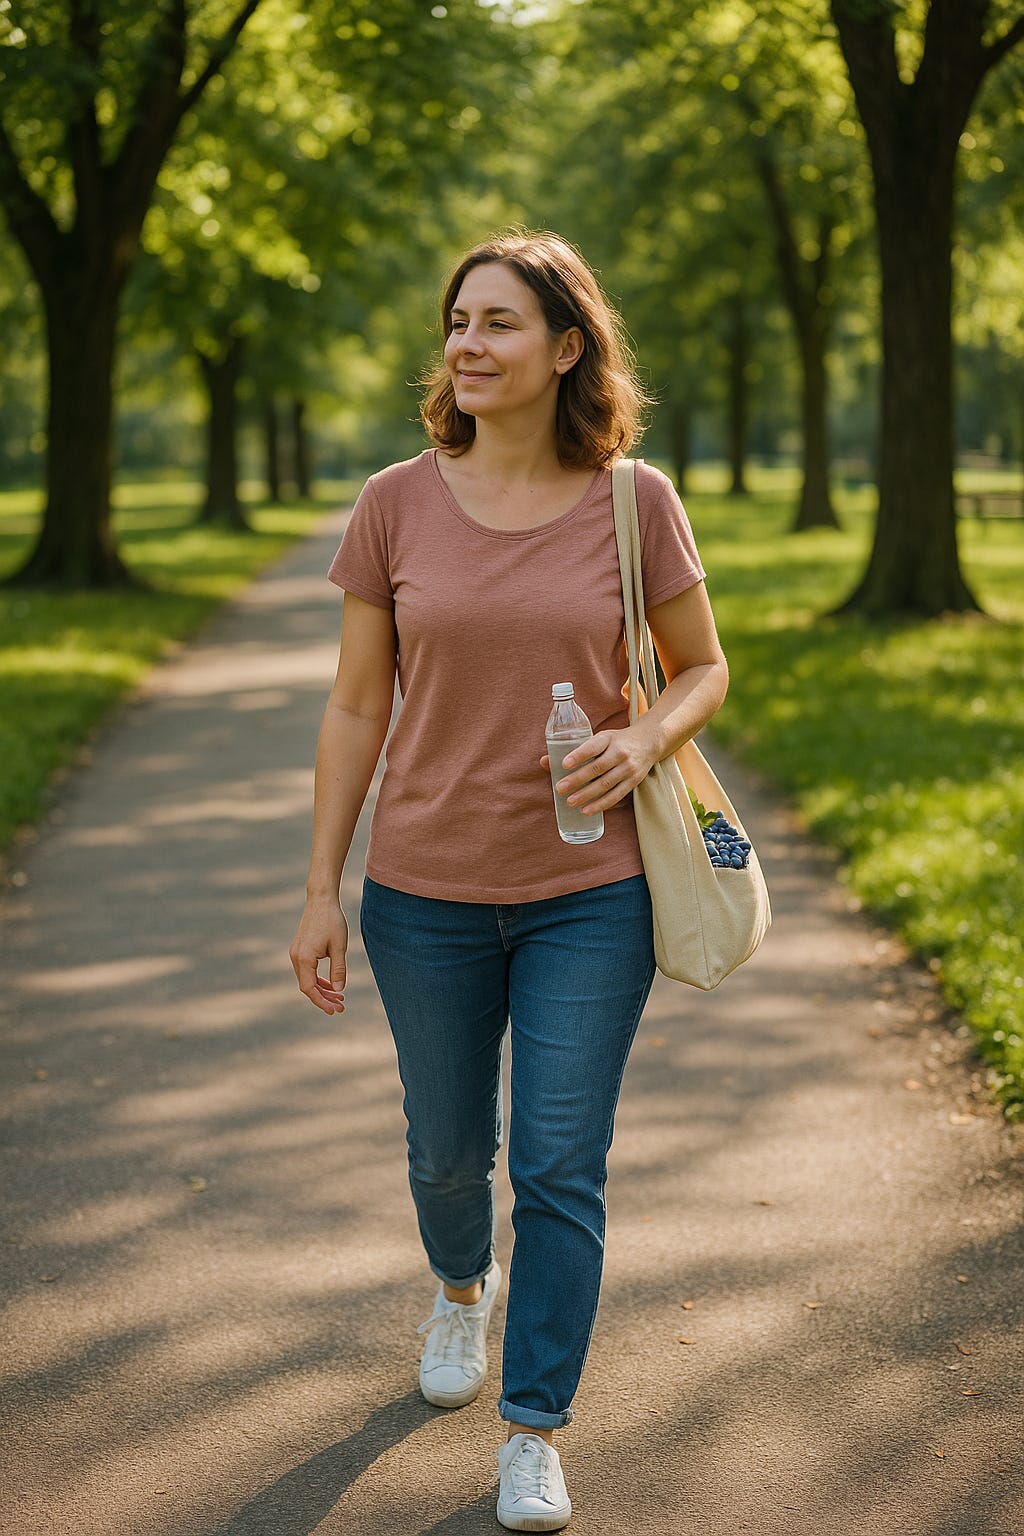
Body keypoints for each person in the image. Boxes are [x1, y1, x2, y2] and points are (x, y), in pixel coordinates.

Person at [289, 230, 728, 1532]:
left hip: (591, 894)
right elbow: (358, 705)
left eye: (499, 324)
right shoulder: (395, 503)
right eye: (458, 323)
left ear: (568, 348)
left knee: (557, 1160)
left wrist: (650, 733)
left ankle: (534, 1428)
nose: (467, 346)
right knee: (447, 1152)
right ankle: (458, 1287)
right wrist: (322, 886)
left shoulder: (634, 502)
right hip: (423, 889)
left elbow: (703, 665)